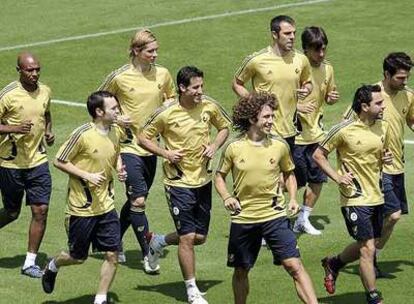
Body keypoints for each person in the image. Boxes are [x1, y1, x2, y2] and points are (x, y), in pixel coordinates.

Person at [138, 66, 231, 304]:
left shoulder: (208, 106)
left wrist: (214, 146)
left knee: (200, 237)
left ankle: (158, 241)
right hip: (177, 183)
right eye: (196, 87)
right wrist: (165, 153)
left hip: (203, 180)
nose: (201, 91)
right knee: (188, 237)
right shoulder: (166, 112)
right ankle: (191, 290)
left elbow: (224, 127)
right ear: (182, 88)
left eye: (202, 86)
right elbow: (143, 137)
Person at [215, 92, 318, 304]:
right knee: (241, 270)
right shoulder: (234, 148)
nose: (272, 121)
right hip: (244, 219)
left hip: (275, 216)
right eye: (267, 117)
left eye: (272, 116)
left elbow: (289, 174)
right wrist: (226, 197)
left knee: (294, 266)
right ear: (253, 119)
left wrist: (292, 198)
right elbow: (219, 177)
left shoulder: (279, 145)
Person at [98, 29, 176, 273]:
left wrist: (168, 103)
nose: (155, 55)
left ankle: (113, 242)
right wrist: (117, 118)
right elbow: (98, 101)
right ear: (136, 51)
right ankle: (148, 252)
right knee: (139, 200)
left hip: (151, 147)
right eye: (150, 51)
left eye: (156, 50)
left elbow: (172, 99)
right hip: (128, 146)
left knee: (135, 200)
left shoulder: (163, 74)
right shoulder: (119, 77)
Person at [41, 91, 126, 304]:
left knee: (112, 254)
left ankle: (100, 298)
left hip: (106, 205)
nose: (118, 111)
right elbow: (59, 160)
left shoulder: (116, 131)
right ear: (99, 111)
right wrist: (86, 175)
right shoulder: (82, 134)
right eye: (114, 108)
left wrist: (119, 167)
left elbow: (115, 153)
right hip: (82, 208)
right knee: (78, 257)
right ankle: (53, 265)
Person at [313, 85, 392, 304]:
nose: (383, 106)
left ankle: (334, 263)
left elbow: (379, 155)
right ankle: (373, 297)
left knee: (366, 244)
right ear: (364, 106)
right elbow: (318, 155)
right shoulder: (343, 130)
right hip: (354, 198)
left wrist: (383, 159)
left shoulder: (382, 127)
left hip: (376, 195)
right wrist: (337, 177)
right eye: (378, 103)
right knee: (367, 249)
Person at [344, 53, 414, 277]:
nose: (405, 82)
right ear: (386, 74)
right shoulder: (372, 94)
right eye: (400, 78)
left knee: (390, 218)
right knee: (392, 215)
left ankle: (367, 256)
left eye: (407, 77)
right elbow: (346, 125)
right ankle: (369, 255)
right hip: (376, 170)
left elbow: (411, 119)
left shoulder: (408, 95)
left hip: (397, 166)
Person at [0, 52, 54, 278]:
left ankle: (29, 262)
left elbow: (46, 113)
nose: (35, 74)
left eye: (37, 69)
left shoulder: (46, 91)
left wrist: (49, 132)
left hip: (38, 161)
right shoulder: (7, 95)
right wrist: (13, 129)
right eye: (30, 70)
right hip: (10, 164)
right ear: (19, 70)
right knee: (12, 213)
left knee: (40, 210)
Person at [232, 15, 312, 150]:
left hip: (291, 130)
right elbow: (236, 83)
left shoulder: (301, 59)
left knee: (289, 171)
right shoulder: (257, 60)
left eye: (294, 33)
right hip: (265, 129)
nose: (292, 37)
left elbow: (308, 82)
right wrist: (252, 102)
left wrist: (307, 89)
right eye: (287, 33)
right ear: (274, 34)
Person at [292, 26, 340, 235]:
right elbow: (275, 98)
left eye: (323, 50)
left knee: (318, 179)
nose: (321, 55)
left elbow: (329, 94)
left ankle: (303, 219)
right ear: (305, 49)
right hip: (294, 135)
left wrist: (331, 98)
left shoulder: (327, 68)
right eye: (316, 50)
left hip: (317, 135)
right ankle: (268, 225)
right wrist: (296, 106)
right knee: (288, 182)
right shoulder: (293, 67)